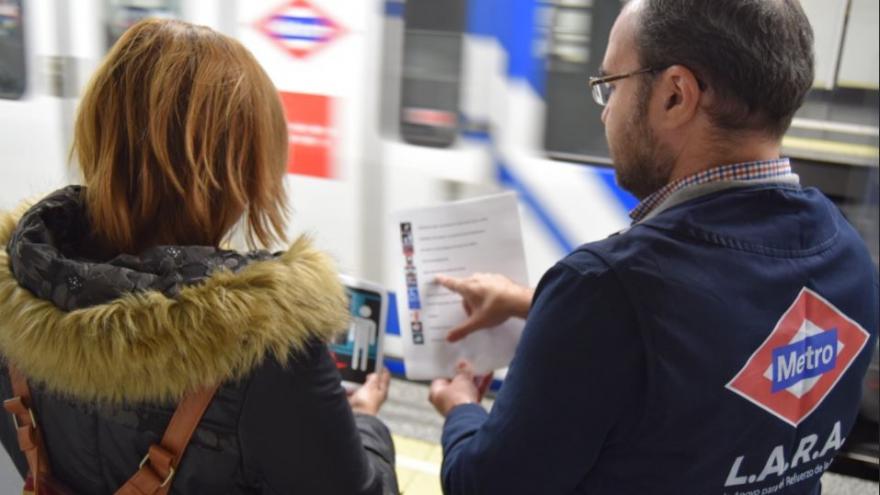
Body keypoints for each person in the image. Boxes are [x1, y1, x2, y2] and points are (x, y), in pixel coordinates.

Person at [428, 1, 878, 494]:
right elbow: (710, 343)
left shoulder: (606, 291)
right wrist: (534, 303)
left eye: (610, 87)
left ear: (675, 95)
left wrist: (462, 409)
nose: (606, 116)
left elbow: (487, 486)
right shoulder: (848, 255)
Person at [0, 19, 398, 494]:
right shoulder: (267, 351)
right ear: (243, 173)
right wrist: (368, 427)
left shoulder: (17, 288)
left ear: (98, 134)